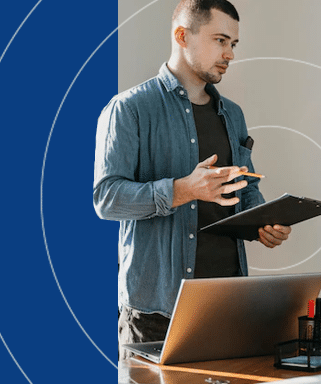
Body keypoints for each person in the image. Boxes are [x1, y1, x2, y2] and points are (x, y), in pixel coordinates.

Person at [93, 0, 292, 359]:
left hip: (227, 303)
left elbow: (245, 187)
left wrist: (262, 222)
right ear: (182, 36)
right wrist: (182, 190)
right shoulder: (129, 108)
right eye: (220, 40)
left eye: (233, 44)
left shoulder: (233, 115)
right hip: (157, 312)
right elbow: (107, 199)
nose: (230, 53)